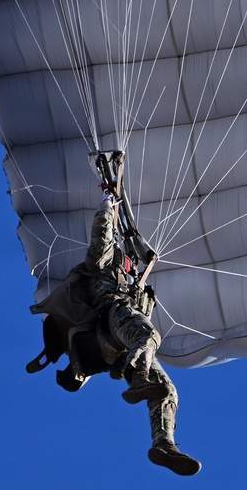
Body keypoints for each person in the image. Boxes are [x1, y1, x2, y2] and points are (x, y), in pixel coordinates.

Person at [28, 189, 201, 476]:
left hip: (119, 350)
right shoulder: (102, 263)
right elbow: (102, 233)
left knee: (167, 389)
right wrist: (109, 204)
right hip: (110, 319)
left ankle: (164, 445)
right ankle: (138, 380)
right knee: (149, 336)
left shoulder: (138, 286)